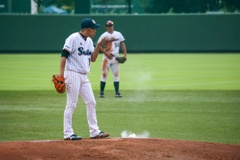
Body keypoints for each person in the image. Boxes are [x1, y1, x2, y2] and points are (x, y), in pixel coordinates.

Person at [59, 18, 111, 140]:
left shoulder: (89, 41)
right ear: (86, 29)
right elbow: (63, 57)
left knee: (91, 102)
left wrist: (98, 46)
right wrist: (61, 76)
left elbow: (92, 59)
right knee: (71, 104)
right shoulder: (73, 38)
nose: (95, 31)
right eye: (93, 29)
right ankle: (68, 133)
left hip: (83, 75)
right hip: (72, 74)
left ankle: (94, 131)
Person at [98, 20, 127, 98]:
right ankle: (101, 93)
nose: (110, 27)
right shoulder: (104, 35)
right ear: (106, 27)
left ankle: (117, 92)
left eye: (111, 26)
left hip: (115, 58)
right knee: (104, 75)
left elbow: (122, 44)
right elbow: (99, 45)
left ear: (113, 26)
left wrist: (125, 55)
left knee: (116, 75)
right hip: (106, 58)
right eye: (109, 26)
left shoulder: (118, 34)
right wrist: (105, 53)